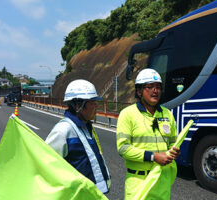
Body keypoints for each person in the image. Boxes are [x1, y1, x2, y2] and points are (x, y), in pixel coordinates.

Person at [116, 68, 180, 200]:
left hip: (162, 181)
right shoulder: (127, 114)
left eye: (158, 87)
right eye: (149, 87)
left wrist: (174, 150)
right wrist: (153, 157)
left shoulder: (167, 114)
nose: (155, 91)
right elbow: (123, 148)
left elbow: (174, 142)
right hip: (139, 182)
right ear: (139, 91)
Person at [45, 79, 111, 194]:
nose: (96, 106)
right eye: (92, 102)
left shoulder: (87, 127)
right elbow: (47, 168)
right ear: (78, 106)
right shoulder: (63, 131)